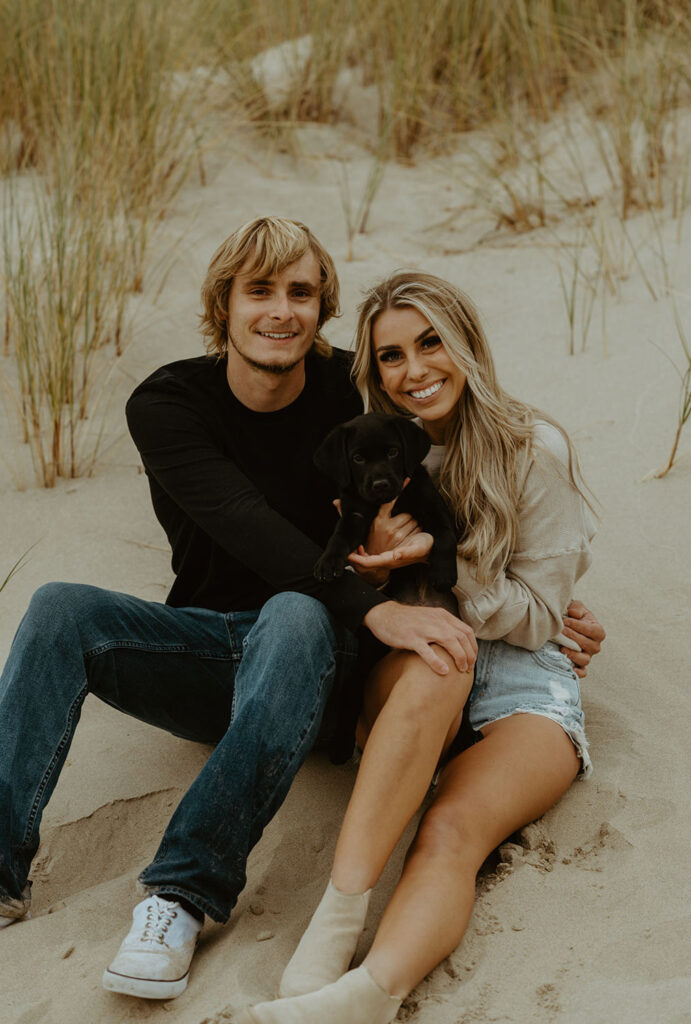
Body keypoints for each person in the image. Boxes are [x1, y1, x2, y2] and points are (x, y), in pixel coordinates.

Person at [0, 219, 489, 1001]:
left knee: (295, 612)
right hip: (214, 652)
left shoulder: (343, 389)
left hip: (317, 660)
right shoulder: (166, 404)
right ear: (222, 304)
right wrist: (372, 607)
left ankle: (180, 897)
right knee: (61, 606)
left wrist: (534, 587)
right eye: (259, 290)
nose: (281, 311)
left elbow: (454, 440)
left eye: (301, 292)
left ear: (322, 306)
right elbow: (241, 521)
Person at [241, 272, 605, 1024]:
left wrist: (441, 562)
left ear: (465, 342)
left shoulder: (532, 449)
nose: (416, 370)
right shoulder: (370, 456)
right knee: (442, 650)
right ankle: (335, 923)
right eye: (391, 356)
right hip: (417, 669)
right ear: (373, 373)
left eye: (430, 342)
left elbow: (541, 620)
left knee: (450, 827)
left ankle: (363, 998)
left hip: (523, 680)